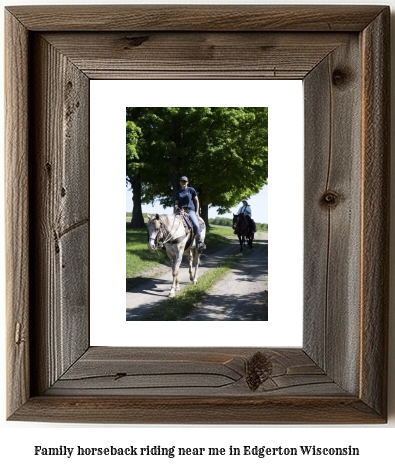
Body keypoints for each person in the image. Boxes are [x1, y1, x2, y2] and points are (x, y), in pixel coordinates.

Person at [174, 176, 205, 251]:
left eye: (185, 181)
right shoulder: (178, 193)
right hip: (181, 211)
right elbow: (176, 202)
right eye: (182, 181)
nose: (183, 183)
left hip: (190, 210)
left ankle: (199, 243)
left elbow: (196, 201)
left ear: (187, 182)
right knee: (171, 223)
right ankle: (167, 243)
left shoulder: (191, 190)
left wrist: (197, 212)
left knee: (196, 225)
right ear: (180, 182)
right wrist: (176, 205)